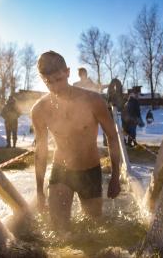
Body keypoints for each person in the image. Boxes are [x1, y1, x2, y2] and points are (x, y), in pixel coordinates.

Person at [31, 51, 121, 230]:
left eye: (59, 79)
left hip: (90, 171)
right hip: (61, 171)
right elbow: (40, 151)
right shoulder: (39, 110)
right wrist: (39, 191)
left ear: (67, 72)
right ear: (43, 80)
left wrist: (115, 177)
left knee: (94, 230)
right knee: (59, 231)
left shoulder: (93, 101)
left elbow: (112, 136)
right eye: (49, 82)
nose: (56, 87)